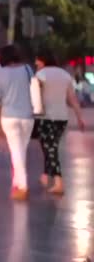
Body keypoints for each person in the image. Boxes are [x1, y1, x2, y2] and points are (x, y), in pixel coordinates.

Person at [34, 48, 85, 194]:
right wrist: (79, 117)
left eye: (37, 59)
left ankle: (58, 181)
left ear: (43, 60)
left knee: (50, 148)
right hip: (62, 118)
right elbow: (72, 99)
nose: (36, 62)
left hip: (46, 117)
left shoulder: (40, 75)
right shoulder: (65, 75)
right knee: (50, 146)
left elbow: (36, 98)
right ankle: (45, 175)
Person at [0, 45, 34, 201]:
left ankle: (23, 186)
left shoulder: (1, 74)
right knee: (21, 150)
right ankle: (16, 182)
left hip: (9, 117)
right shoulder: (27, 70)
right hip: (27, 116)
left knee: (16, 151)